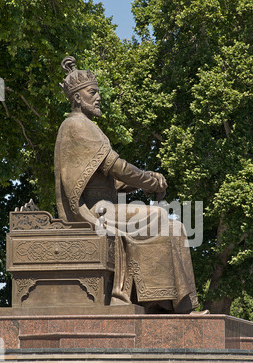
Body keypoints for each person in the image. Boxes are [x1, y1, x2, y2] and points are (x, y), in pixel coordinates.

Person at [54, 56, 198, 313]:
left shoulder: (87, 126)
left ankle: (178, 306)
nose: (98, 98)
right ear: (77, 98)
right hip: (94, 211)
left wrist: (142, 184)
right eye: (92, 92)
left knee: (175, 227)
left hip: (106, 205)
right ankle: (158, 301)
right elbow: (116, 166)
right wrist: (150, 180)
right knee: (157, 216)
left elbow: (110, 179)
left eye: (98, 93)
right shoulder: (76, 125)